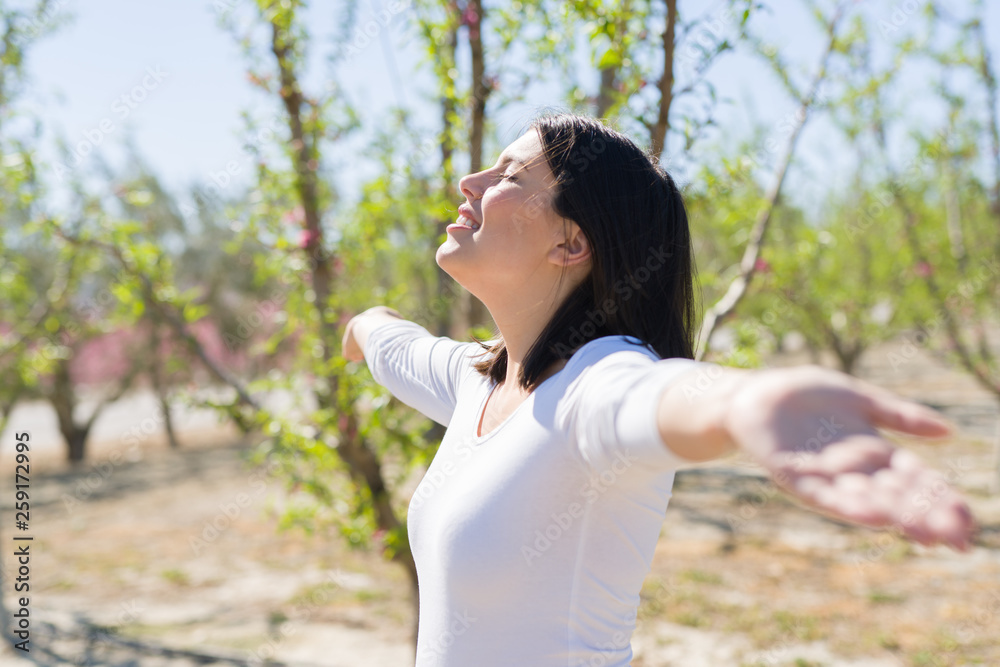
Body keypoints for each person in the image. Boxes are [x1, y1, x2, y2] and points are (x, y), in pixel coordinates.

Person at [341, 112, 976, 666]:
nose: (470, 183)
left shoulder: (595, 381)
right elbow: (397, 349)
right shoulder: (483, 380)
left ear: (572, 241)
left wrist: (744, 401)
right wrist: (365, 324)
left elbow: (654, 398)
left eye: (509, 175)